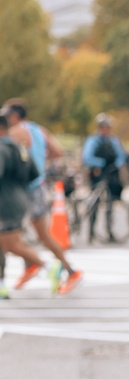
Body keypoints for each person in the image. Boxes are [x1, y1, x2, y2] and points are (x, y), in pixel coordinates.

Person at [1, 98, 82, 293]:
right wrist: (39, 158)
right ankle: (36, 265)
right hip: (37, 184)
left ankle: (56, 268)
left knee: (11, 237)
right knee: (38, 235)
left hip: (19, 190)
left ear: (13, 116)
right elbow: (57, 151)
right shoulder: (38, 129)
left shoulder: (14, 133)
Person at [0, 115, 62, 298]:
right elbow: (34, 175)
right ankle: (2, 284)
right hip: (19, 198)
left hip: (5, 202)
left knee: (11, 245)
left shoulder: (2, 149)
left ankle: (49, 267)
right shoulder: (19, 148)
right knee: (5, 244)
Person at [81, 113, 128, 243]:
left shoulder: (114, 141)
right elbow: (87, 157)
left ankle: (109, 231)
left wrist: (114, 165)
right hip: (97, 174)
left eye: (107, 127)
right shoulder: (93, 140)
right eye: (102, 127)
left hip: (111, 175)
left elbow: (121, 156)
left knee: (110, 204)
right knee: (95, 202)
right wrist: (101, 163)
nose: (104, 129)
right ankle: (90, 232)